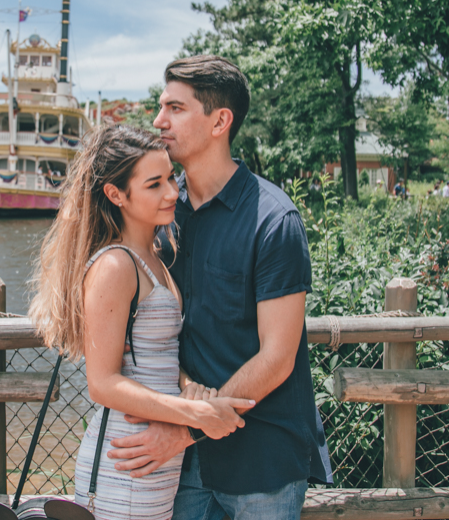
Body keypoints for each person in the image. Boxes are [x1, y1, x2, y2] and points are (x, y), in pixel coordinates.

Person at [106, 55, 332, 520]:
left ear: (219, 121)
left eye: (175, 108)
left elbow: (277, 358)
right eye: (161, 106)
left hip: (262, 461)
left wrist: (185, 431)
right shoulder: (163, 212)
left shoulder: (273, 220)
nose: (158, 120)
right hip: (183, 466)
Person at [29, 124, 255, 520]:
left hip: (153, 461)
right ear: (116, 194)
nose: (171, 192)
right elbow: (102, 383)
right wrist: (196, 415)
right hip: (126, 460)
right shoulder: (115, 266)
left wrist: (187, 385)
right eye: (154, 184)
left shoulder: (155, 254)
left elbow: (154, 354)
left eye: (170, 177)